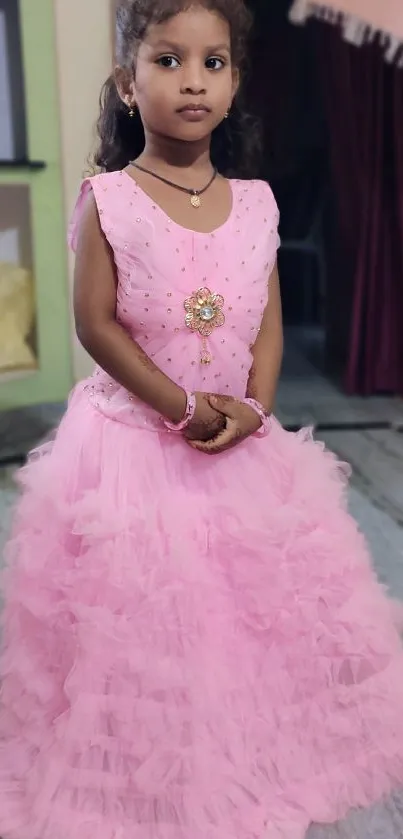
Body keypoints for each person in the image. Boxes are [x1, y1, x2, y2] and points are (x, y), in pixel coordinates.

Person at [0, 1, 403, 838]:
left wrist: (255, 405)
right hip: (131, 450)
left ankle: (252, 759)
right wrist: (179, 405)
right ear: (126, 80)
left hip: (241, 447)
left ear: (234, 81)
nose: (192, 79)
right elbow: (95, 324)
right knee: (150, 631)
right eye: (168, 60)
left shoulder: (255, 201)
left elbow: (264, 319)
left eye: (213, 62)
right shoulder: (107, 198)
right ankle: (146, 784)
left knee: (254, 623)